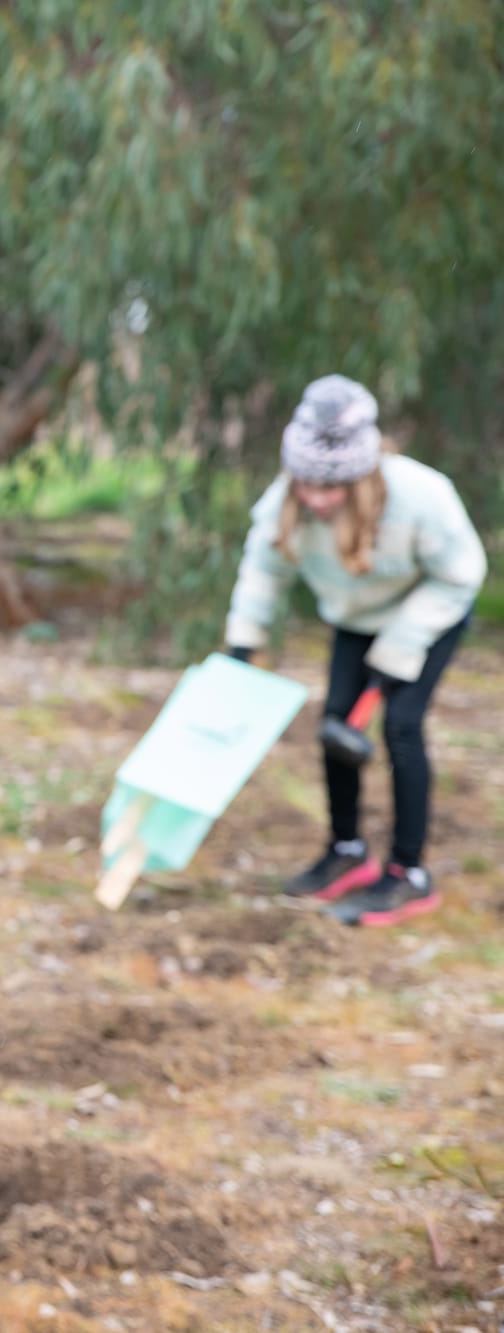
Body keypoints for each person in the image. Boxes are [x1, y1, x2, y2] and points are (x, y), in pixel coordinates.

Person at [225, 374, 486, 927]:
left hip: (430, 614)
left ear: (362, 475)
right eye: (306, 485)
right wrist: (243, 642)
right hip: (357, 620)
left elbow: (461, 577)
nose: (316, 499)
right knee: (336, 727)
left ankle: (408, 874)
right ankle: (346, 851)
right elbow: (262, 570)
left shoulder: (422, 495)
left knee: (401, 728)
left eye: (331, 487)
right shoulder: (285, 501)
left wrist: (398, 653)